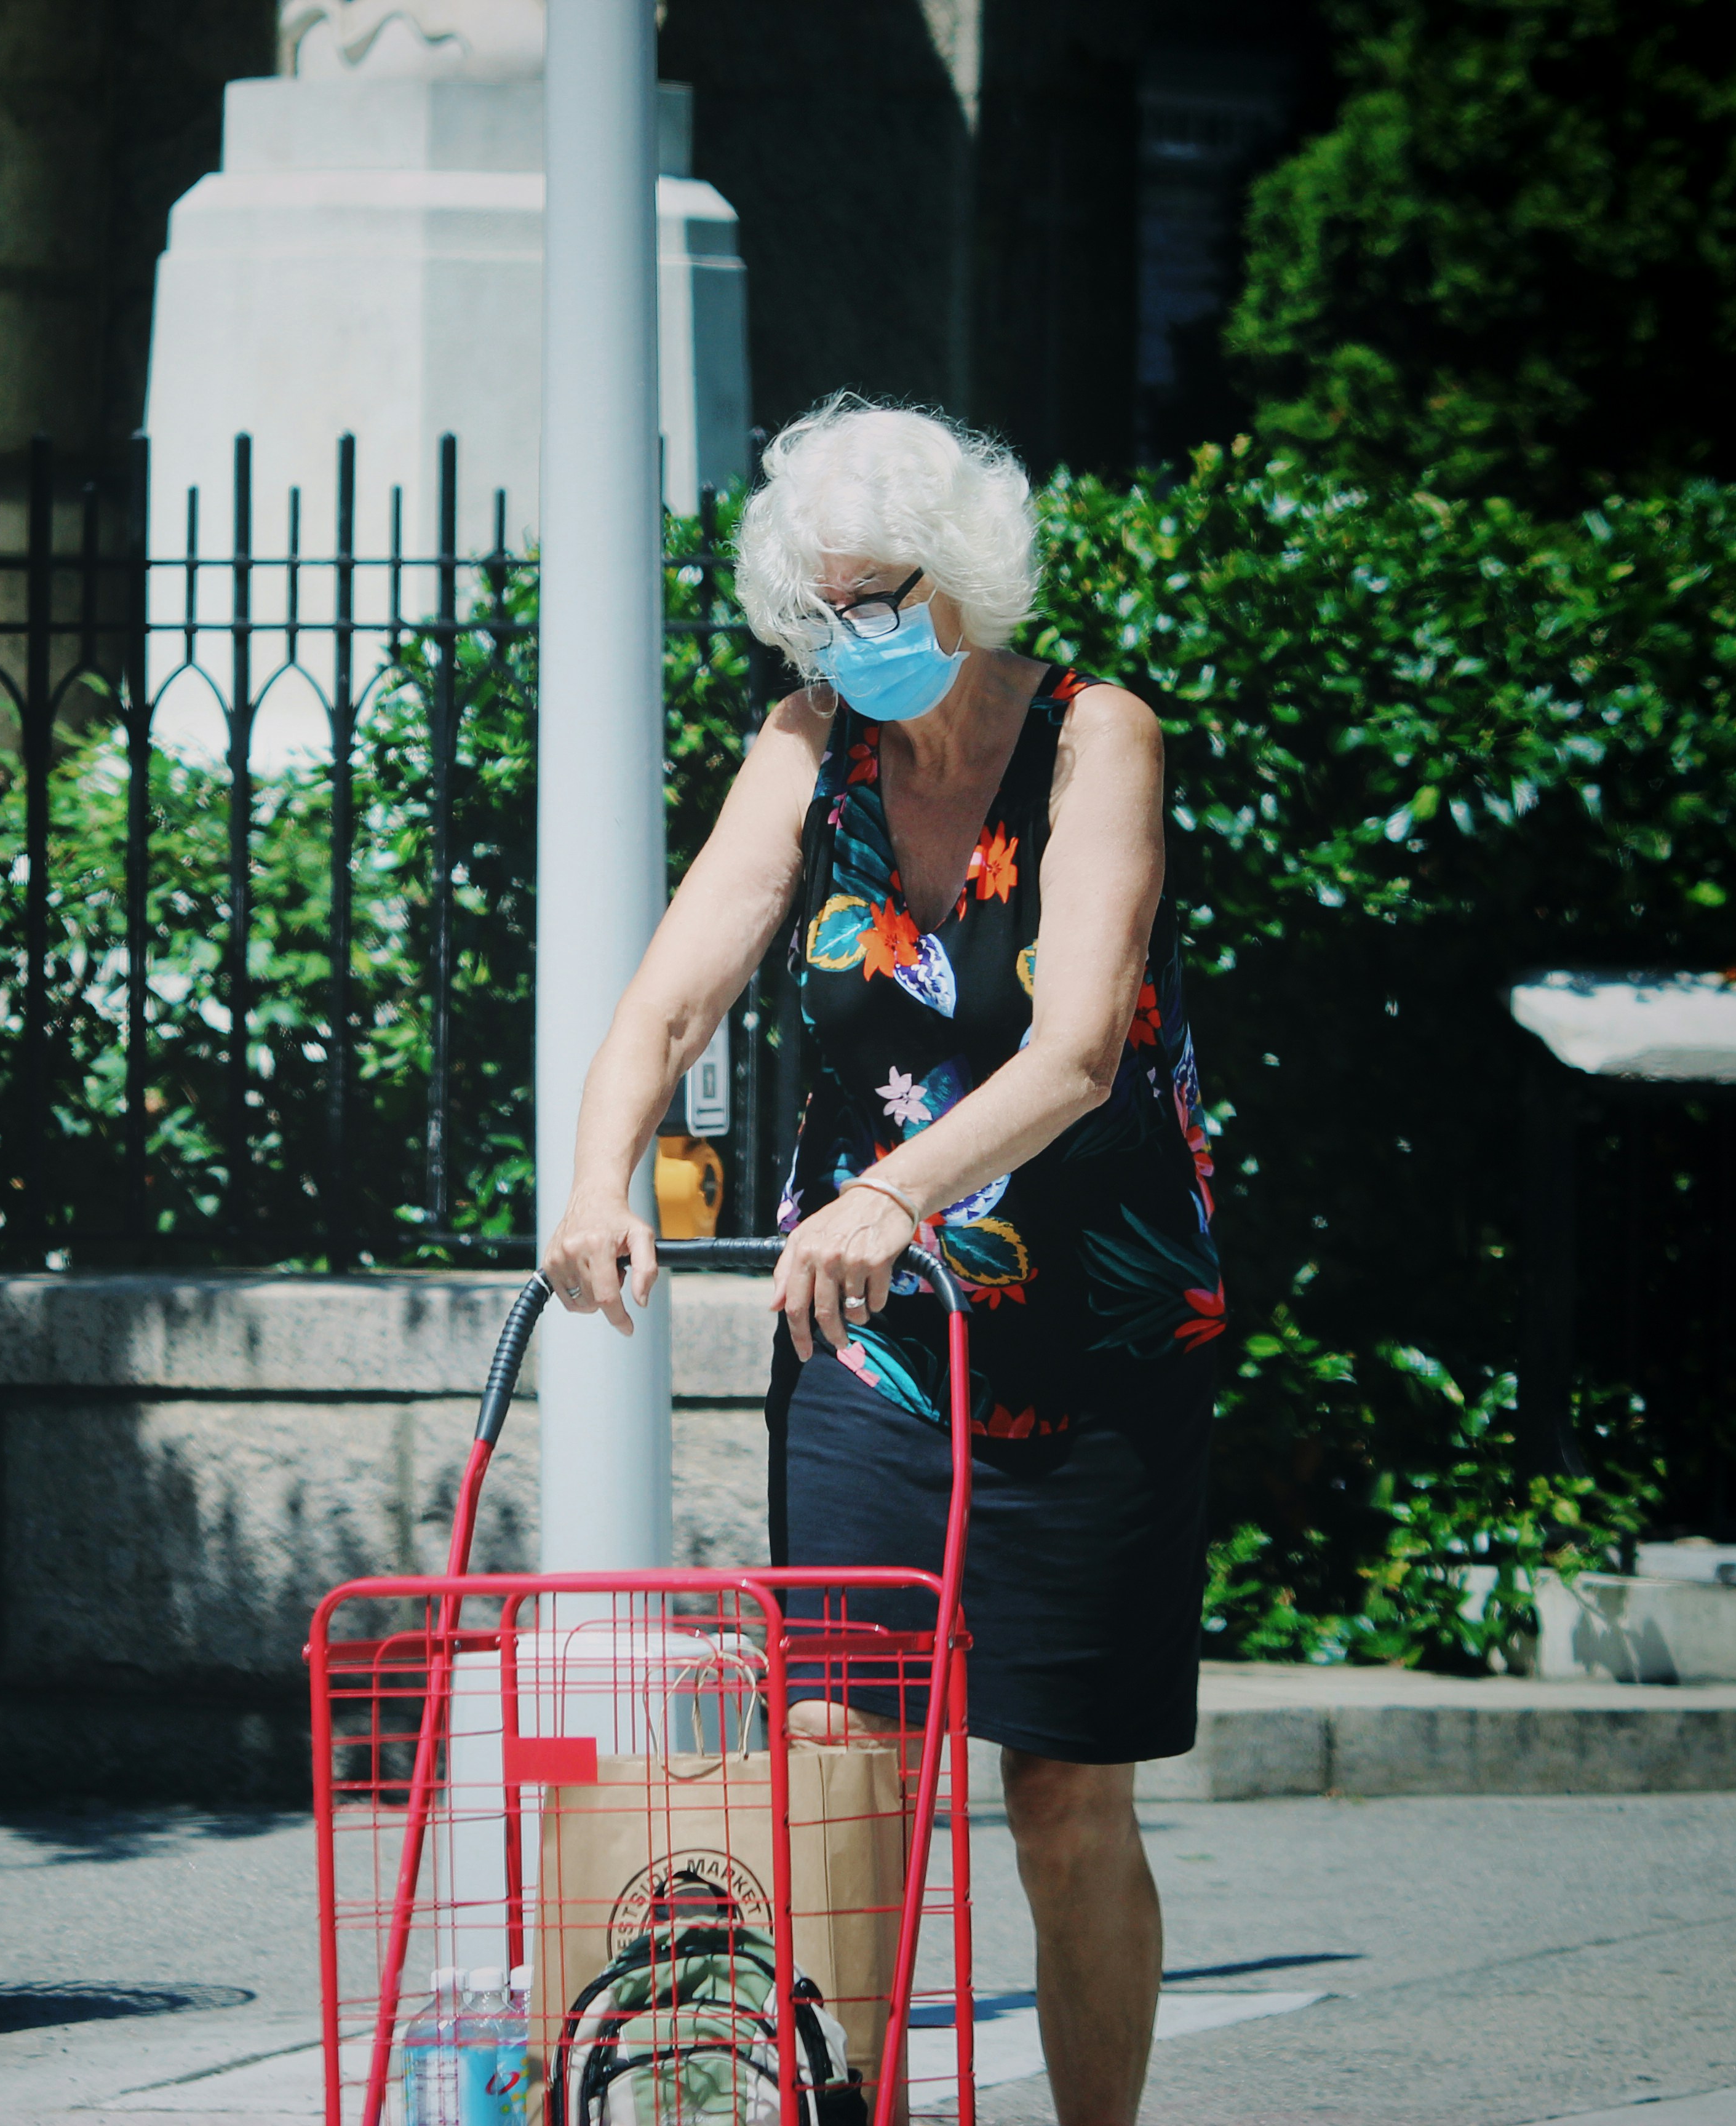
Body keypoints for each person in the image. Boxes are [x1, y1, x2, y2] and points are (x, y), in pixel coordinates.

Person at [538, 397, 1223, 2126]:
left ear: (966, 580)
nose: (856, 637)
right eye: (825, 604)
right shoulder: (809, 744)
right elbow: (678, 981)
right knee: (845, 1766)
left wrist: (895, 1191)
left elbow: (1074, 1051)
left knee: (1066, 1797)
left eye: (884, 597)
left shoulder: (1096, 740)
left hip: (1098, 1330)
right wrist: (597, 1176)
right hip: (868, 1340)